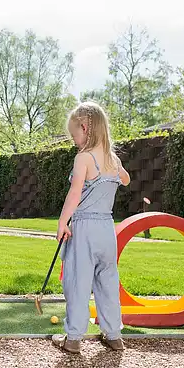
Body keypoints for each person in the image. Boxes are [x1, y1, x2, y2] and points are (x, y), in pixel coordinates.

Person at [51, 102, 131, 354]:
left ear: (85, 128)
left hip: (84, 227)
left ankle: (73, 338)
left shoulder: (83, 158)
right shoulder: (112, 158)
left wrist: (63, 222)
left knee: (78, 282)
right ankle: (114, 334)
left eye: (74, 135)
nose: (74, 141)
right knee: (107, 281)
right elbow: (126, 180)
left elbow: (74, 194)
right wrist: (114, 170)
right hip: (107, 229)